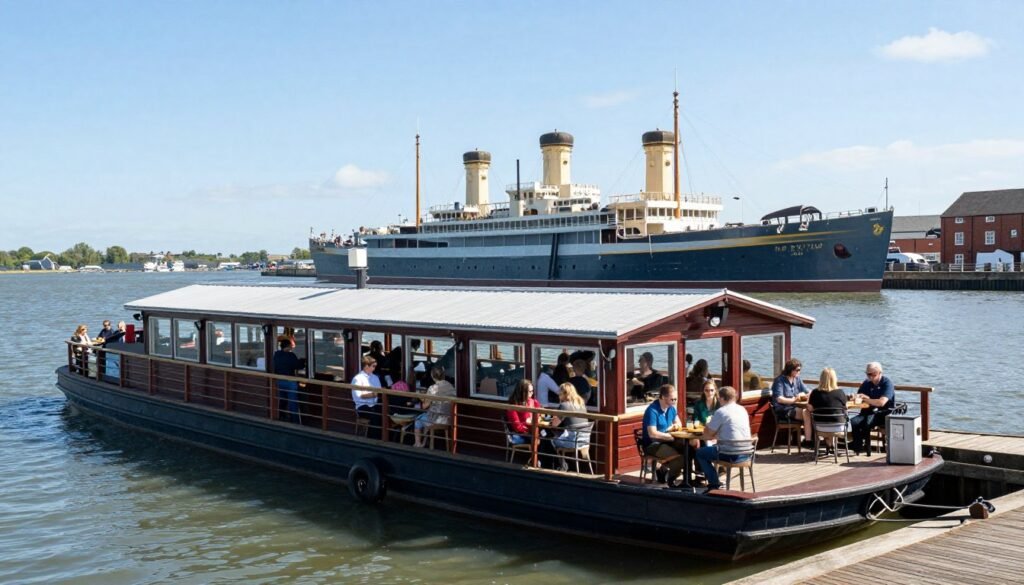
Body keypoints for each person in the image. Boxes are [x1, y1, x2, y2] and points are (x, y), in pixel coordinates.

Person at [696, 385, 752, 491]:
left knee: (700, 453)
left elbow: (707, 436)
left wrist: (708, 424)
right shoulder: (742, 410)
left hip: (729, 453)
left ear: (721, 398)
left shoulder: (721, 412)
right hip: (746, 453)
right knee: (711, 449)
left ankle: (714, 484)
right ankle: (716, 480)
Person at [641, 384, 685, 486]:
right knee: (680, 459)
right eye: (672, 399)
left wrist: (673, 428)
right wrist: (669, 437)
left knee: (689, 450)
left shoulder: (671, 408)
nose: (674, 402)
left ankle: (664, 470)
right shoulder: (652, 410)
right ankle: (670, 479)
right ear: (663, 397)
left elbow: (679, 424)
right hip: (653, 444)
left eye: (676, 399)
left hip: (667, 441)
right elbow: (652, 433)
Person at [849, 362, 895, 454]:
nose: (870, 377)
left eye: (872, 374)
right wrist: (854, 397)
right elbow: (859, 397)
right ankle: (858, 446)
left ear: (879, 372)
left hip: (882, 413)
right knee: (853, 421)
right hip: (867, 411)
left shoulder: (887, 384)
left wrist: (867, 399)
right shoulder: (866, 383)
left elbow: (881, 403)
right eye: (868, 374)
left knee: (867, 422)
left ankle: (864, 446)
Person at [550, 383, 590, 470]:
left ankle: (562, 465)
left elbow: (554, 424)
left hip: (572, 441)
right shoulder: (581, 404)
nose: (558, 396)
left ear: (565, 394)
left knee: (551, 440)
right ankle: (570, 465)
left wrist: (553, 418)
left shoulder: (564, 405)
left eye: (560, 394)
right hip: (584, 441)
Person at [413, 366, 456, 448]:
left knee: (418, 420)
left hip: (435, 420)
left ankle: (417, 443)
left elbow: (425, 406)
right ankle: (425, 442)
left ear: (432, 376)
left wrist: (422, 398)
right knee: (426, 416)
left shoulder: (433, 388)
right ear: (443, 375)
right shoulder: (451, 387)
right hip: (449, 419)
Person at [771, 358, 812, 442]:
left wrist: (807, 395)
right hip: (783, 409)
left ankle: (810, 439)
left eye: (800, 370)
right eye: (797, 370)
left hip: (794, 407)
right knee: (808, 414)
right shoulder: (779, 381)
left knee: (809, 412)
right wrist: (794, 400)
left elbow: (808, 391)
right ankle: (809, 440)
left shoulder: (797, 379)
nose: (799, 372)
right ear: (790, 370)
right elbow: (779, 399)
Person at [273, 338, 307, 423]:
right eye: (291, 346)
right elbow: (297, 366)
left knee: (283, 399)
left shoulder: (276, 354)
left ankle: (281, 416)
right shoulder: (290, 355)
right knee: (293, 401)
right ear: (288, 346)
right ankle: (295, 420)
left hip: (280, 380)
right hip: (290, 381)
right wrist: (303, 361)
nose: (292, 348)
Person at [807, 367, 849, 434]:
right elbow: (845, 407)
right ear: (834, 379)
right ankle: (831, 442)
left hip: (820, 426)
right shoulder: (840, 392)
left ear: (821, 379)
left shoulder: (815, 392)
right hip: (838, 426)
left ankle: (827, 442)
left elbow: (810, 409)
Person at [351, 355, 383, 439]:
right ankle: (373, 439)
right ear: (366, 366)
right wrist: (373, 394)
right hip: (362, 406)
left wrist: (374, 394)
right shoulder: (357, 379)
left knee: (386, 412)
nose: (374, 368)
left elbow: (379, 391)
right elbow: (358, 396)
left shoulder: (375, 377)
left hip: (374, 404)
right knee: (375, 416)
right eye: (373, 366)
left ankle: (385, 438)